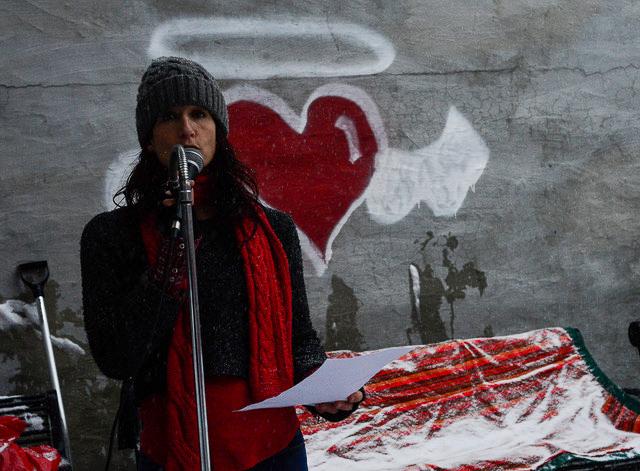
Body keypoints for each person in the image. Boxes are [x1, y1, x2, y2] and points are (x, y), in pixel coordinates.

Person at [81, 56, 364, 470]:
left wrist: (327, 393)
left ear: (219, 130)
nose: (187, 129)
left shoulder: (270, 230)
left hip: (272, 448)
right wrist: (174, 246)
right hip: (173, 449)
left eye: (199, 114)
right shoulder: (111, 235)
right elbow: (117, 357)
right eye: (169, 116)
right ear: (148, 137)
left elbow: (298, 341)